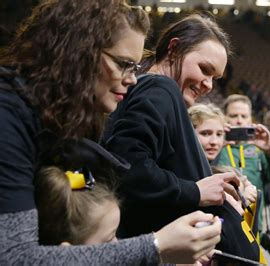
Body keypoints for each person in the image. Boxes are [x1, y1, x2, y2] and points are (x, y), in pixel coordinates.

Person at [0, 1, 221, 264]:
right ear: (78, 52)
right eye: (123, 64)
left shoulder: (65, 118)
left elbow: (72, 183)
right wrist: (156, 247)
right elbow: (15, 258)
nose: (132, 79)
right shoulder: (8, 115)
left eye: (135, 66)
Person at [102, 13, 254, 259]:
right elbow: (128, 166)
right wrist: (195, 191)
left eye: (214, 78)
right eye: (205, 70)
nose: (208, 85)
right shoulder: (161, 88)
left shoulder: (150, 89)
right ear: (174, 49)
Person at [217, 94, 270, 233]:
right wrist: (219, 144)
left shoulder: (259, 150)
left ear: (250, 119)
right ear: (224, 118)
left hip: (255, 226)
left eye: (244, 116)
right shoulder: (214, 147)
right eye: (233, 115)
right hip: (223, 225)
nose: (239, 121)